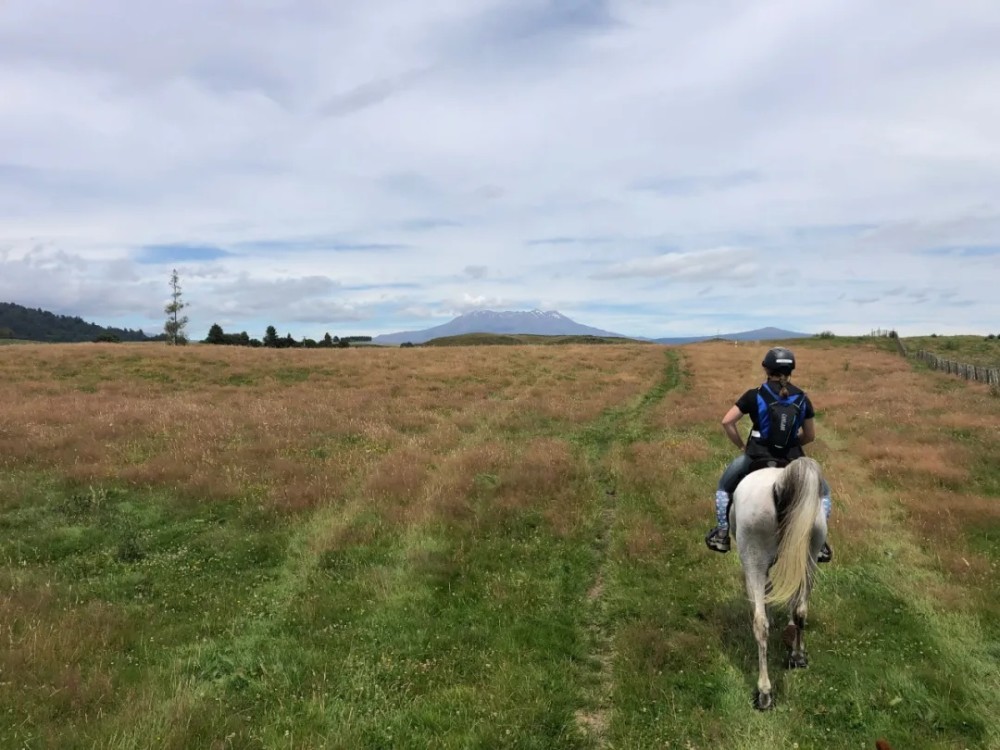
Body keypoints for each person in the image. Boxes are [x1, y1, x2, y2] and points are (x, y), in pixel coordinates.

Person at [705, 346, 833, 562]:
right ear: (791, 370)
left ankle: (722, 533)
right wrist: (792, 443)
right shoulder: (802, 398)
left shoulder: (754, 394)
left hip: (757, 455)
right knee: (824, 493)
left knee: (724, 487)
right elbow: (810, 435)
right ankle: (819, 543)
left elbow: (727, 422)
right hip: (792, 458)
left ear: (766, 368)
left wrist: (742, 447)